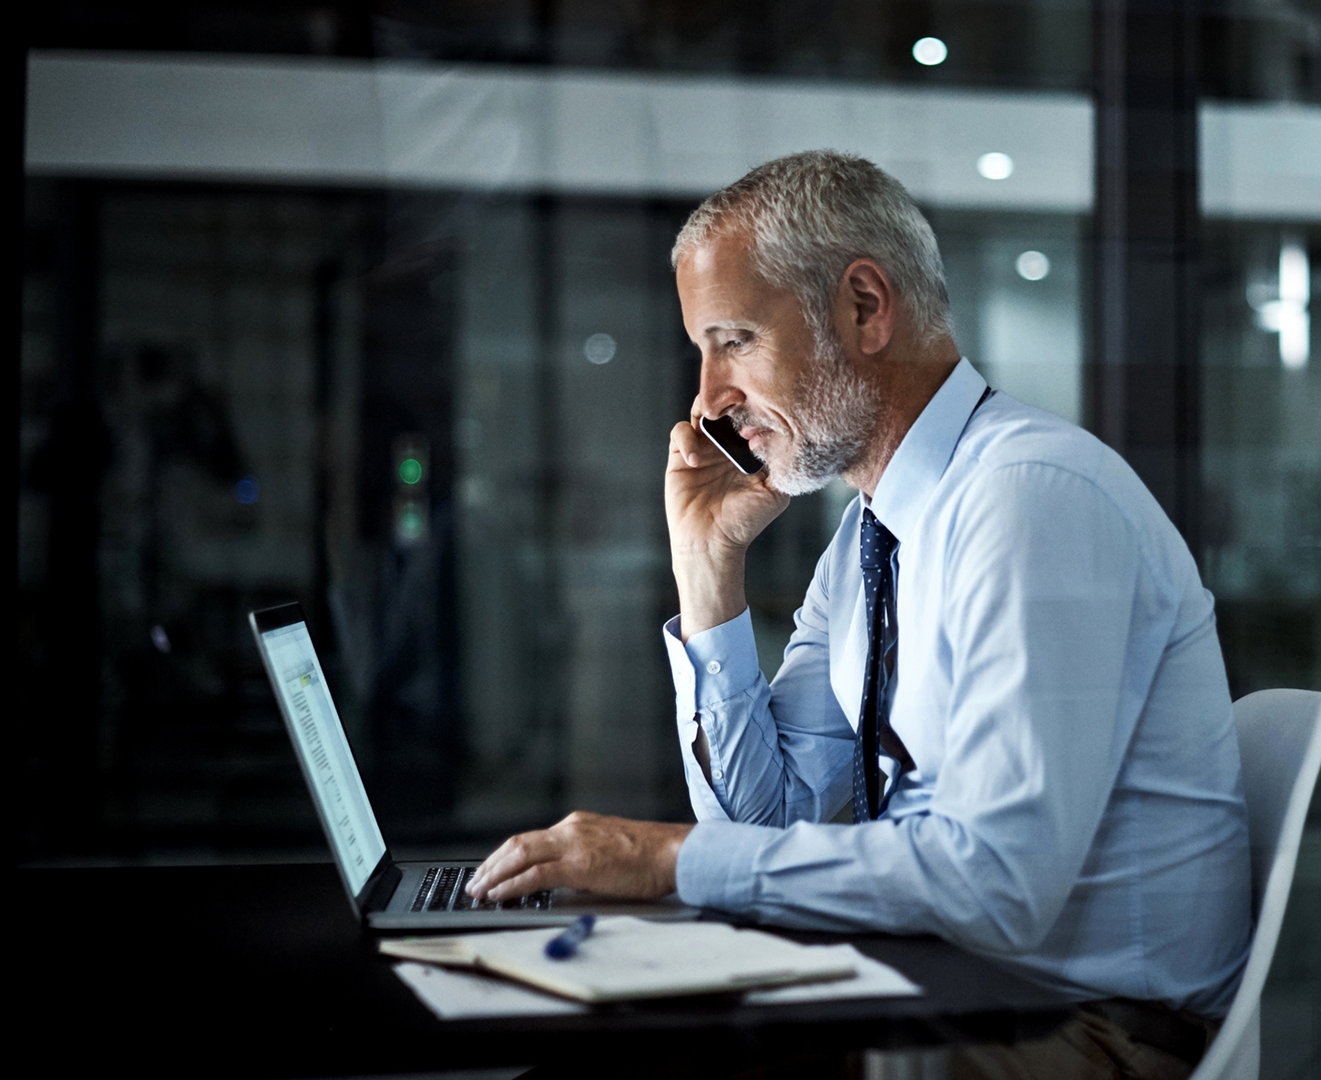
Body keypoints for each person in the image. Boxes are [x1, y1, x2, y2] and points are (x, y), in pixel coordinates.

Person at [465, 151, 1251, 1079]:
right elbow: (765, 823)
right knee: (601, 1049)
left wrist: (666, 858)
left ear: (866, 308)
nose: (708, 400)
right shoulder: (871, 538)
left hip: (1083, 1033)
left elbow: (997, 887)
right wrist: (707, 570)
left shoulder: (1030, 499)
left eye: (734, 340)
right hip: (952, 990)